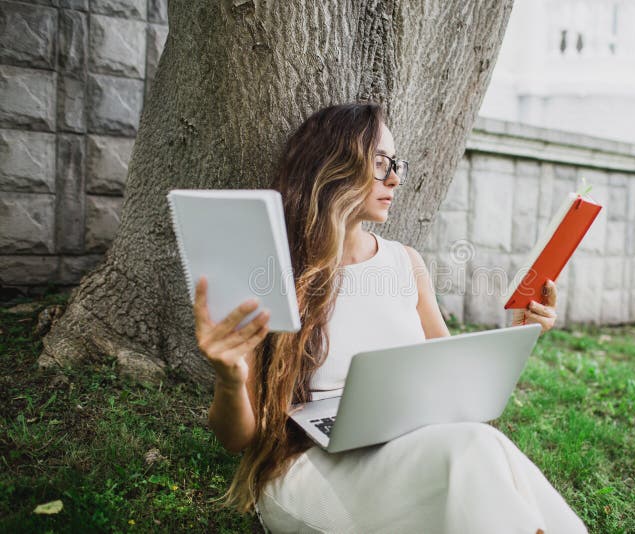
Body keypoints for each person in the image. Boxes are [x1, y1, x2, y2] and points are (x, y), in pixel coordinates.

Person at [194, 103, 587, 533]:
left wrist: (519, 333)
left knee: (484, 446)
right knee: (472, 449)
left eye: (394, 164)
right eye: (380, 164)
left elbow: (457, 385)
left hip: (410, 448)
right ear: (333, 166)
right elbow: (238, 439)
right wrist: (230, 379)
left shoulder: (406, 263)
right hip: (310, 467)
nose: (395, 178)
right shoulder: (273, 269)